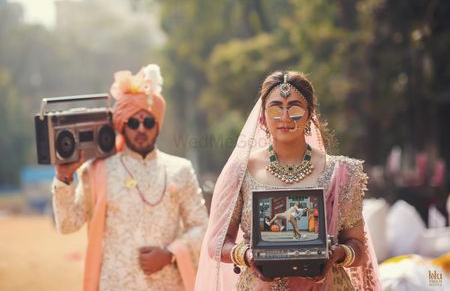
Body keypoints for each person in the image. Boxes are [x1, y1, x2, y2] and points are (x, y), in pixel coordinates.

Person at [195, 71, 380, 290]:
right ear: (262, 117)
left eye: (294, 108)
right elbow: (217, 244)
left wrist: (336, 253)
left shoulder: (341, 172)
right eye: (275, 108)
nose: (284, 117)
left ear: (310, 114)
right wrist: (247, 255)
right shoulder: (241, 172)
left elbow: (358, 247)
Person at [51, 64, 208, 291]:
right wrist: (64, 177)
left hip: (168, 285)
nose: (141, 129)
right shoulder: (97, 170)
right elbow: (67, 225)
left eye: (149, 122)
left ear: (158, 126)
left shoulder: (180, 169)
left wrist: (169, 254)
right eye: (134, 122)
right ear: (122, 125)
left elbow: (201, 226)